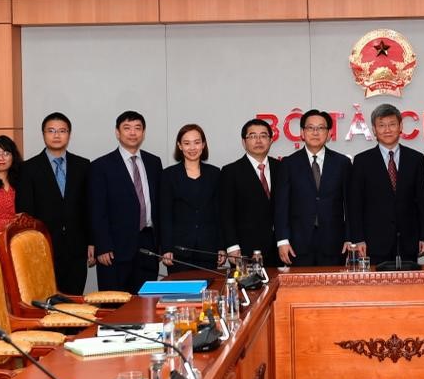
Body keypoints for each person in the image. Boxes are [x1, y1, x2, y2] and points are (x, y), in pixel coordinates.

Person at [17, 113, 93, 294]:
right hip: (43, 248)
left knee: (74, 300)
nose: (56, 135)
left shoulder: (83, 165)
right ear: (43, 134)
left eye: (62, 131)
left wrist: (92, 242)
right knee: (47, 301)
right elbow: (25, 212)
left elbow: (89, 207)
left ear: (69, 135)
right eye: (51, 131)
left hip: (77, 248)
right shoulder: (28, 168)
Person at [90, 111, 162, 292]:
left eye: (138, 128)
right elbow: (97, 210)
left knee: (146, 300)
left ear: (143, 133)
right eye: (127, 128)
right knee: (115, 303)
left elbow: (158, 204)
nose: (133, 133)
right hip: (114, 248)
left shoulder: (154, 162)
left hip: (148, 244)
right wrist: (102, 246)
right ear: (117, 132)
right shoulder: (101, 166)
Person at [348, 103, 424, 265]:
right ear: (374, 130)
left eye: (392, 124)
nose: (387, 130)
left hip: (408, 241)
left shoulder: (415, 159)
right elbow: (355, 204)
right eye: (382, 125)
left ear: (400, 127)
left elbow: (422, 201)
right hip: (374, 243)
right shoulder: (362, 161)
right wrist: (358, 239)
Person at [274, 109, 351, 266]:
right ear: (302, 132)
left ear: (329, 133)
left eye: (321, 128)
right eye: (310, 128)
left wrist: (350, 238)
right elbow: (281, 205)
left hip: (334, 243)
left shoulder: (342, 163)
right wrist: (282, 240)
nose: (315, 132)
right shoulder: (288, 164)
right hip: (297, 244)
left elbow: (350, 204)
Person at [160, 124, 223, 273]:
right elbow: (165, 215)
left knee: (209, 287)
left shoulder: (215, 173)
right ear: (179, 146)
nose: (192, 148)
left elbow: (219, 213)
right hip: (178, 250)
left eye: (197, 142)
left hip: (209, 248)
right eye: (187, 143)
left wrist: (221, 246)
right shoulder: (168, 175)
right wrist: (166, 248)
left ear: (203, 145)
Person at [220, 118, 281, 268]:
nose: (258, 140)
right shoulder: (231, 171)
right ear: (244, 142)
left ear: (271, 140)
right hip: (245, 249)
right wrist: (232, 246)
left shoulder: (281, 167)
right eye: (253, 136)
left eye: (263, 136)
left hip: (279, 249)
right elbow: (226, 213)